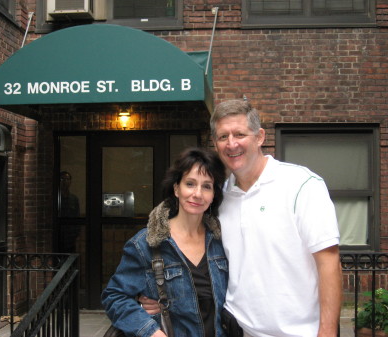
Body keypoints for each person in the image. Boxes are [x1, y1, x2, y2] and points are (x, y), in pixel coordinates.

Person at [142, 100, 342, 337]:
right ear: (215, 143)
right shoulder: (218, 198)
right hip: (235, 330)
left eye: (239, 134)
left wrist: (327, 332)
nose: (231, 144)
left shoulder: (302, 185)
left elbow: (329, 262)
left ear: (259, 137)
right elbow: (190, 248)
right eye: (223, 136)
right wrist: (150, 294)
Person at [101, 147, 229, 337]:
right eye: (190, 184)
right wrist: (151, 331)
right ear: (177, 188)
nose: (198, 194)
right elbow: (115, 297)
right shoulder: (146, 244)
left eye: (207, 186)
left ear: (213, 195)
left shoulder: (222, 241)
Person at [59, 171, 81, 253]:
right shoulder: (56, 198)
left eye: (67, 179)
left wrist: (76, 234)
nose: (65, 182)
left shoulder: (73, 199)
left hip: (70, 237)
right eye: (62, 179)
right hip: (59, 235)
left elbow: (77, 216)